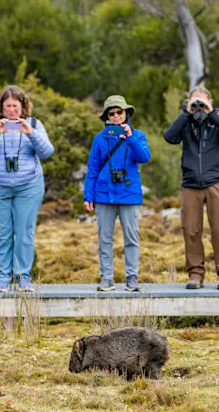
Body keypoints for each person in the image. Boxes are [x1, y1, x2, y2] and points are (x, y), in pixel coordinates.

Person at [0, 85, 55, 292]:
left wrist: (31, 134)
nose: (11, 110)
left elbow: (47, 152)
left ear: (23, 106)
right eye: (7, 106)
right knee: (0, 233)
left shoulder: (34, 124)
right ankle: (2, 278)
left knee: (24, 232)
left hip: (28, 186)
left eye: (15, 106)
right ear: (1, 107)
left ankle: (23, 278)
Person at [163, 87, 219, 290]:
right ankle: (195, 274)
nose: (199, 107)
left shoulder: (218, 120)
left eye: (202, 103)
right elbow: (169, 137)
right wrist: (186, 113)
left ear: (210, 103)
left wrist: (212, 112)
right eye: (195, 103)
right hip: (190, 184)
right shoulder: (185, 121)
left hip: (215, 182)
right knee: (191, 230)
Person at [83, 95, 151, 291]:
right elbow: (93, 168)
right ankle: (107, 278)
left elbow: (144, 157)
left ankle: (132, 278)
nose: (115, 116)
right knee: (104, 238)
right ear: (106, 116)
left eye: (119, 112)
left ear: (126, 113)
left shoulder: (137, 135)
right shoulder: (99, 139)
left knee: (131, 237)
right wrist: (89, 195)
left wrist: (130, 139)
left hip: (129, 194)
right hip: (103, 194)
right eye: (111, 113)